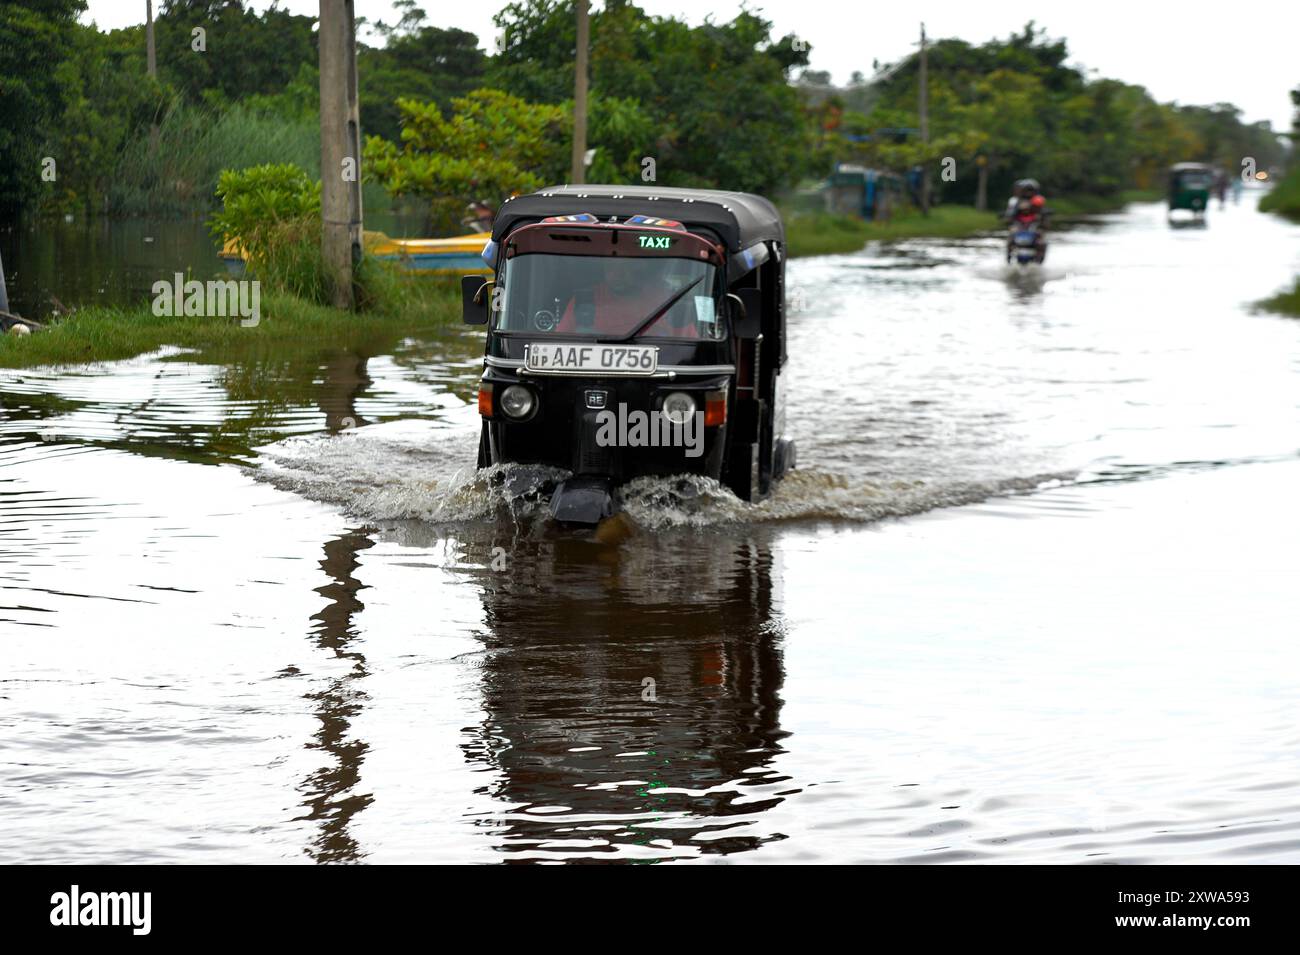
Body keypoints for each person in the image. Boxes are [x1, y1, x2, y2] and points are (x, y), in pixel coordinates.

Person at [1002, 178, 1050, 264]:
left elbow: (1045, 219)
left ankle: (1039, 261)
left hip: (1033, 228)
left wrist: (1043, 223)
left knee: (1042, 242)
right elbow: (1009, 216)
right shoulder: (1015, 202)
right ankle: (1008, 260)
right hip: (1020, 228)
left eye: (1030, 190)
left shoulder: (1038, 202)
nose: (1028, 193)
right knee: (1010, 241)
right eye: (1026, 190)